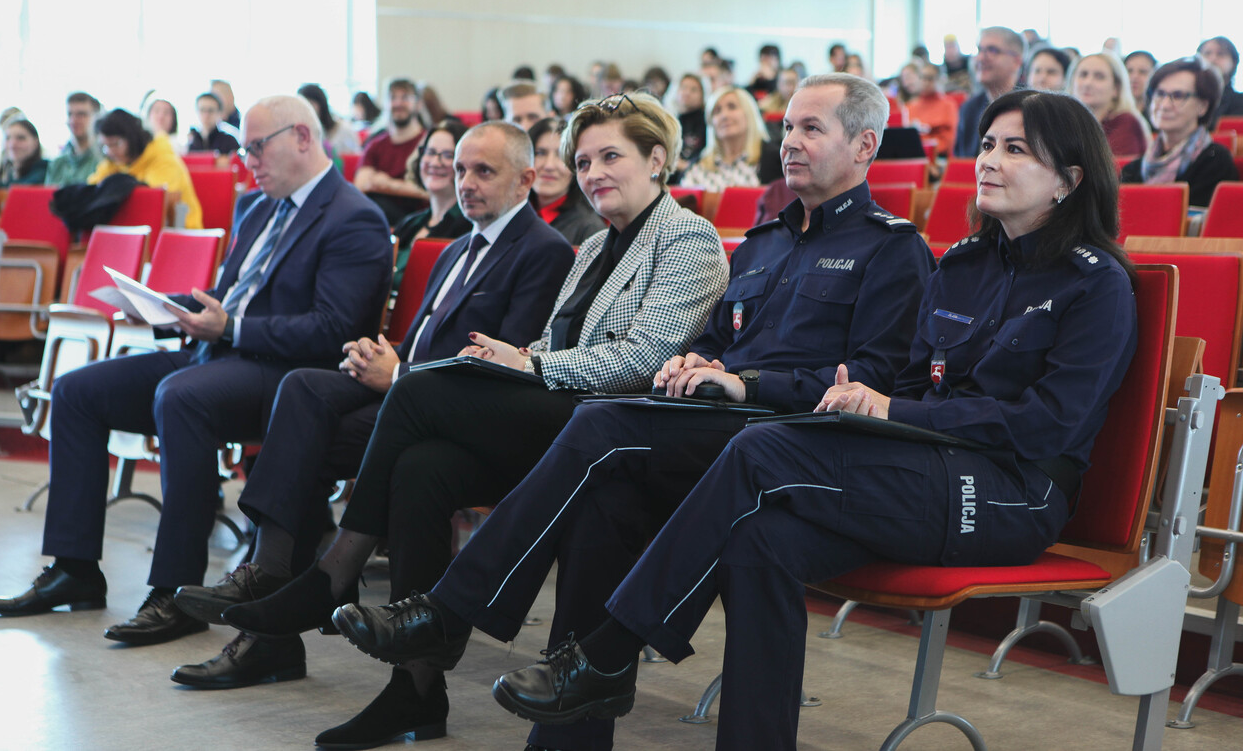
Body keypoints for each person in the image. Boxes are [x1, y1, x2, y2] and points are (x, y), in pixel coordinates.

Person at [488, 89, 1140, 751]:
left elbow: (1049, 425)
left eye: (1016, 149)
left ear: (1068, 179)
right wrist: (877, 406)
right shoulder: (966, 265)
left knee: (761, 448)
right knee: (759, 536)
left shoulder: (1097, 283)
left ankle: (606, 653)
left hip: (1009, 492)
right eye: (990, 143)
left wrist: (891, 407)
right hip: (921, 463)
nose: (989, 160)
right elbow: (917, 384)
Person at [332, 73, 938, 751]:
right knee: (604, 502)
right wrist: (695, 361)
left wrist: (749, 382)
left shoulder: (892, 248)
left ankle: (449, 611)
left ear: (865, 146)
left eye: (811, 129)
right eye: (789, 127)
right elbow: (719, 338)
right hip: (715, 427)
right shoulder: (764, 244)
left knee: (602, 423)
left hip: (790, 441)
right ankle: (569, 732)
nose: (790, 142)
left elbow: (873, 382)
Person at [222, 92, 730, 749]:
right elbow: (552, 345)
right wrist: (523, 358)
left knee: (417, 392)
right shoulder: (592, 247)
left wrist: (529, 366)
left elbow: (643, 358)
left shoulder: (687, 236)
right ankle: (416, 687)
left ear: (657, 160)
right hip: (565, 417)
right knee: (421, 465)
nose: (593, 171)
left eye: (612, 156)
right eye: (582, 160)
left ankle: (336, 573)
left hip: (618, 425)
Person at [168, 121, 574, 690]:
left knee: (298, 455)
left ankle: (285, 611)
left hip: (456, 414)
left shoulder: (544, 252)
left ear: (527, 179)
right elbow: (423, 340)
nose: (466, 183)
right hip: (408, 392)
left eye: (484, 171)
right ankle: (273, 572)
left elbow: (500, 368)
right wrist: (383, 356)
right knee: (304, 391)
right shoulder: (457, 246)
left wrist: (402, 374)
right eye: (460, 170)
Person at [0, 96, 393, 649]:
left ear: (301, 137)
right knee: (77, 391)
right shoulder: (257, 208)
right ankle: (75, 568)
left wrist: (232, 329)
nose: (248, 160)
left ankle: (176, 590)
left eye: (256, 147)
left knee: (182, 397)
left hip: (292, 376)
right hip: (221, 356)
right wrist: (160, 305)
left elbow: (331, 328)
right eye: (244, 148)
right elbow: (223, 301)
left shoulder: (353, 217)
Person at [1120, 56, 1239, 207]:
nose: (1164, 105)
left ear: (1203, 106)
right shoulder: (1133, 170)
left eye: (1178, 96)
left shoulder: (1216, 162)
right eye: (1160, 94)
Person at [388, 120, 473, 290]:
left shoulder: (468, 230)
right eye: (430, 152)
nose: (435, 162)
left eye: (448, 155)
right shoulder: (409, 223)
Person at [88, 108, 203, 229]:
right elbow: (92, 191)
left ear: (132, 139)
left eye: (116, 144)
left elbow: (153, 204)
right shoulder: (113, 161)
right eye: (105, 146)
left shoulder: (163, 159)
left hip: (180, 232)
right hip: (132, 232)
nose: (110, 151)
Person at [355, 79, 429, 226]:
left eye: (405, 97)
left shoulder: (428, 143)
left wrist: (385, 183)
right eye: (392, 97)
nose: (398, 103)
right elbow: (361, 185)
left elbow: (429, 192)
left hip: (418, 218)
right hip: (378, 218)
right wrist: (405, 187)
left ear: (418, 104)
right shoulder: (376, 144)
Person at [527, 116, 606, 244]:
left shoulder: (589, 229)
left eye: (561, 155)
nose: (549, 165)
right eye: (540, 153)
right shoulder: (513, 214)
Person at [682, 86, 772, 191]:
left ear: (749, 113)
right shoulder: (697, 166)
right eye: (717, 111)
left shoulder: (772, 160)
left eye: (732, 107)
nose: (724, 116)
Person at [953, 26, 1025, 156]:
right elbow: (960, 163)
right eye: (979, 50)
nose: (981, 58)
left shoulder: (1030, 107)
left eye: (992, 50)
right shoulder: (969, 109)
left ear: (1017, 61)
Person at [1067, 52, 1149, 157]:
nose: (1088, 83)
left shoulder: (1126, 122)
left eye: (1099, 77)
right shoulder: (1064, 121)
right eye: (1083, 74)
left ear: (1116, 88)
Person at [46, 93, 103, 188]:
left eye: (81, 114)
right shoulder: (57, 164)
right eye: (70, 114)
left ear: (97, 117)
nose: (73, 120)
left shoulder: (105, 160)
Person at [907, 63, 959, 155]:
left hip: (939, 157)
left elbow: (948, 141)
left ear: (939, 80)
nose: (925, 82)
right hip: (914, 155)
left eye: (930, 78)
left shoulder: (948, 105)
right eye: (922, 78)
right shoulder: (910, 106)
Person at [298, 83, 360, 156]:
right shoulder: (301, 133)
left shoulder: (344, 129)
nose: (306, 109)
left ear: (321, 104)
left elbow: (356, 157)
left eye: (310, 104)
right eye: (302, 105)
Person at [0, 118, 48, 187]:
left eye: (21, 138)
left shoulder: (45, 172)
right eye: (8, 138)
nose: (12, 145)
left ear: (35, 142)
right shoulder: (6, 175)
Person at [1197, 36, 1243, 119]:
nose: (1213, 59)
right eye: (1207, 53)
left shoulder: (1240, 102)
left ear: (1233, 63)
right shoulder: (1187, 99)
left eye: (1221, 54)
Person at [675, 73, 708, 170]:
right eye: (683, 88)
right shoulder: (673, 121)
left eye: (693, 90)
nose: (687, 93)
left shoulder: (707, 121)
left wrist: (686, 165)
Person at [1125, 51, 1157, 120]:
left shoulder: (1158, 114)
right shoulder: (1111, 114)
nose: (1134, 77)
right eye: (1129, 71)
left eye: (1142, 72)